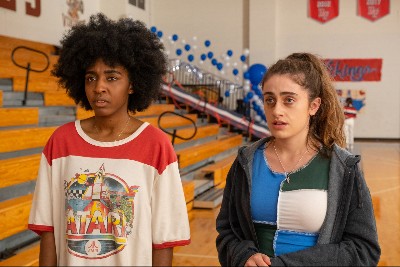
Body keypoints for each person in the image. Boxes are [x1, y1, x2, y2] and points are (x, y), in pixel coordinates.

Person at [28, 13, 190, 266]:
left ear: (133, 84)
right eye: (91, 77)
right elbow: (48, 231)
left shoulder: (156, 145)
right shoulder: (61, 142)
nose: (99, 86)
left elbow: (163, 240)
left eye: (112, 78)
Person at [216, 52, 380, 266]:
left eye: (289, 100)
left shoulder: (343, 168)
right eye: (269, 100)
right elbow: (228, 233)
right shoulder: (245, 162)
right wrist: (243, 256)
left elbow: (363, 250)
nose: (277, 110)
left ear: (313, 106)